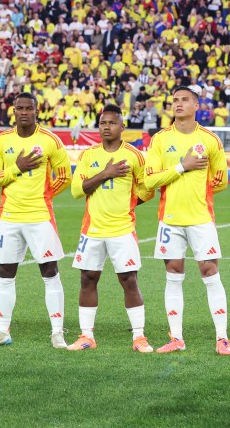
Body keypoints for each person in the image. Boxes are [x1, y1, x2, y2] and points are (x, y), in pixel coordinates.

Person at [143, 85, 230, 355]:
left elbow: (221, 180)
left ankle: (222, 338)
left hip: (201, 218)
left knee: (210, 272)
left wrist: (196, 190)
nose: (178, 104)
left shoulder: (210, 139)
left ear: (196, 106)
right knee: (173, 275)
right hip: (169, 219)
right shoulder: (159, 139)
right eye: (175, 100)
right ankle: (176, 338)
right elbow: (149, 180)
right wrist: (183, 167)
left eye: (184, 100)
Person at [0, 93, 72, 348]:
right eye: (19, 108)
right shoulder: (1, 141)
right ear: (13, 111)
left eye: (28, 108)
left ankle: (57, 333)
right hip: (8, 217)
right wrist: (16, 168)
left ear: (36, 110)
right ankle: (2, 332)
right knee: (5, 273)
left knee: (50, 272)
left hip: (40, 217)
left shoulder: (50, 140)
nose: (23, 112)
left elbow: (65, 177)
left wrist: (43, 196)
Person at [68, 104, 154, 352]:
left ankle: (139, 337)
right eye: (103, 123)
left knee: (128, 280)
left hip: (122, 230)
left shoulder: (135, 156)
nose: (106, 127)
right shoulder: (88, 155)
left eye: (112, 123)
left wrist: (129, 204)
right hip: (92, 229)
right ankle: (86, 336)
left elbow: (147, 189)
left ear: (122, 127)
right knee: (88, 279)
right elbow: (76, 190)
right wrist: (106, 173)